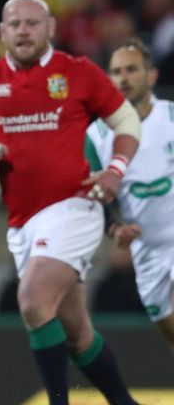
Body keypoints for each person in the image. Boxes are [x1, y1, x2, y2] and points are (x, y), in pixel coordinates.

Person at [0, 0, 140, 405]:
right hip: (22, 222)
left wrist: (116, 170)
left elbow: (126, 120)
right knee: (75, 333)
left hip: (74, 206)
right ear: (1, 32)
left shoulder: (78, 73)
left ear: (50, 27)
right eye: (15, 24)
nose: (23, 31)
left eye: (32, 23)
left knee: (32, 298)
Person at [86, 38, 174, 348]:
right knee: (165, 322)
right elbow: (96, 199)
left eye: (132, 70)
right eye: (116, 71)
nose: (123, 78)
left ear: (151, 76)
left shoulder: (172, 118)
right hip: (146, 250)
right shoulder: (96, 136)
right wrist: (116, 229)